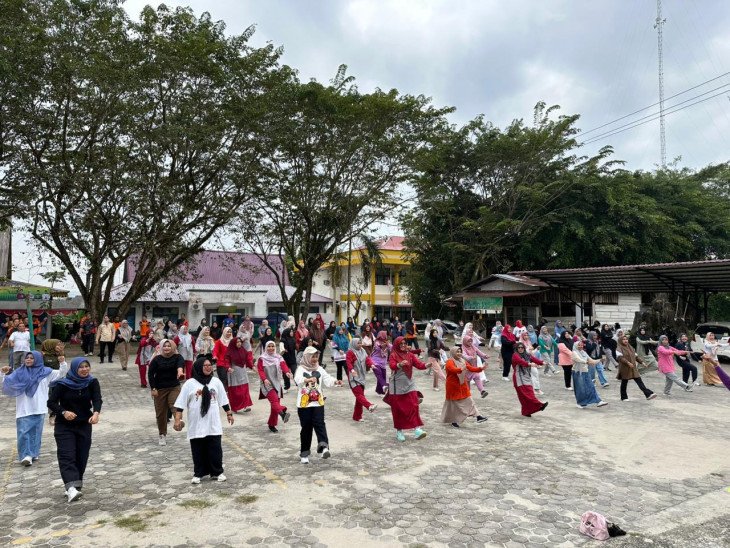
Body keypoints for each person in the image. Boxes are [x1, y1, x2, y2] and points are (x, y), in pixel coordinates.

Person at [46, 357, 102, 502]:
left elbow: (97, 399)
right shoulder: (63, 384)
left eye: (86, 366)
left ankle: (75, 486)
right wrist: (63, 412)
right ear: (74, 369)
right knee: (67, 455)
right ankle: (70, 488)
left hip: (84, 424)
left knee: (82, 456)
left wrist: (96, 413)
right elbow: (51, 402)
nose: (84, 369)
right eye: (81, 367)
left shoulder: (92, 382)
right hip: (64, 426)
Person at [1, 350, 69, 467]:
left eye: (32, 358)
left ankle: (33, 453)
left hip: (39, 407)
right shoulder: (19, 372)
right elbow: (6, 383)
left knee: (36, 433)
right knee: (23, 432)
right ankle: (26, 455)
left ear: (37, 359)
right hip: (24, 408)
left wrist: (62, 363)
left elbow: (61, 374)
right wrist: (3, 373)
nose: (28, 360)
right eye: (27, 358)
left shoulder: (46, 372)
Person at [173, 357, 234, 483]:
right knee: (198, 449)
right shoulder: (189, 384)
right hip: (197, 423)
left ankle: (217, 472)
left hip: (213, 422)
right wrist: (177, 420)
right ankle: (199, 473)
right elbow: (180, 404)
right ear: (198, 367)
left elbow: (223, 399)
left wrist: (229, 413)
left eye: (210, 365)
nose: (208, 367)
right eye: (205, 365)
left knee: (215, 448)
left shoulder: (216, 381)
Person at [294, 346, 336, 463]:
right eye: (313, 356)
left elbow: (327, 379)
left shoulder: (319, 368)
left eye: (317, 357)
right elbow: (297, 380)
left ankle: (324, 448)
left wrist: (335, 381)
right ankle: (304, 453)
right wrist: (306, 380)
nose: (315, 359)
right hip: (304, 404)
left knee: (320, 424)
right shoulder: (301, 369)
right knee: (306, 428)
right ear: (307, 357)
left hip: (318, 403)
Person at [383, 337, 428, 442]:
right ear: (397, 345)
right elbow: (392, 366)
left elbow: (419, 365)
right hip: (397, 386)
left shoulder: (410, 355)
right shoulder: (393, 355)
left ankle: (417, 430)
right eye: (401, 343)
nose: (403, 345)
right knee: (398, 410)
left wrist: (427, 365)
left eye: (405, 343)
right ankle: (399, 431)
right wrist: (399, 364)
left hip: (409, 384)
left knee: (414, 405)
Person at [148, 340, 185, 446]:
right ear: (161, 347)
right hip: (160, 389)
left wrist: (180, 372)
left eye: (169, 346)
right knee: (161, 413)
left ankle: (178, 421)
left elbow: (180, 366)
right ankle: (162, 434)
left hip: (174, 387)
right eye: (165, 346)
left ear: (173, 347)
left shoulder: (178, 357)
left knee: (175, 405)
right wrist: (153, 388)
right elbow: (150, 373)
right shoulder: (156, 359)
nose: (167, 348)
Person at [441, 346, 488, 428]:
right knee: (454, 405)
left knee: (469, 400)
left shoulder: (462, 361)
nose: (459, 353)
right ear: (453, 352)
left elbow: (471, 368)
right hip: (453, 387)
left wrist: (481, 368)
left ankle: (478, 416)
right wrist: (461, 369)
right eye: (457, 352)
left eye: (460, 351)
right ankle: (454, 421)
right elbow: (452, 369)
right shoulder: (449, 362)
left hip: (462, 385)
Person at [257, 340, 292, 433]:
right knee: (274, 401)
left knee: (274, 405)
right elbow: (260, 370)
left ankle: (272, 424)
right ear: (266, 347)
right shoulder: (262, 358)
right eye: (269, 346)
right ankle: (283, 412)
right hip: (267, 384)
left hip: (276, 383)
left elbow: (283, 365)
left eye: (273, 346)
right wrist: (264, 379)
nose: (271, 348)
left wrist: (287, 372)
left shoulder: (278, 357)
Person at [511, 342, 548, 417]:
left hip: (526, 376)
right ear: (516, 349)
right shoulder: (515, 355)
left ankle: (526, 412)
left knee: (526, 394)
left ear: (524, 348)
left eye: (522, 347)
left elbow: (534, 359)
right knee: (526, 394)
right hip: (518, 378)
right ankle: (539, 405)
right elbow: (520, 361)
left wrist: (542, 362)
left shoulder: (527, 355)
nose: (520, 349)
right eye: (519, 347)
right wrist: (529, 364)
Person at [616, 334, 657, 402]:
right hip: (625, 368)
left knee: (639, 381)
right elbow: (620, 358)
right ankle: (623, 397)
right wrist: (628, 363)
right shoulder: (619, 348)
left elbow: (636, 357)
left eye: (626, 339)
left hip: (633, 368)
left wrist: (642, 362)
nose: (625, 340)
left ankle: (648, 394)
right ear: (620, 341)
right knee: (624, 382)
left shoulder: (630, 347)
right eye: (623, 339)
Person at [571, 340, 608, 409]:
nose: (581, 346)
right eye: (579, 345)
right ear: (576, 346)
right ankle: (580, 403)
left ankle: (598, 401)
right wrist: (586, 362)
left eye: (582, 345)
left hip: (585, 372)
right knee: (580, 389)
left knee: (591, 386)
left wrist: (600, 360)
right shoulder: (574, 352)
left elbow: (592, 361)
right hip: (578, 372)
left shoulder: (584, 352)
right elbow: (578, 359)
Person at [225, 337, 254, 412]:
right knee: (236, 391)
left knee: (245, 389)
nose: (239, 343)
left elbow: (247, 360)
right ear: (233, 343)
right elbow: (227, 361)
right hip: (234, 372)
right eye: (237, 342)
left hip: (243, 371)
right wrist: (228, 368)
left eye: (240, 342)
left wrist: (252, 367)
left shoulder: (243, 350)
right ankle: (236, 407)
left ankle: (245, 406)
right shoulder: (230, 351)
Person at [369, 330, 391, 395]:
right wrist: (384, 345)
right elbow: (378, 348)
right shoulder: (376, 342)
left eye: (384, 335)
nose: (384, 336)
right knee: (379, 373)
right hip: (375, 361)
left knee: (383, 376)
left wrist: (388, 344)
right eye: (383, 335)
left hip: (383, 362)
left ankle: (379, 391)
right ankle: (384, 385)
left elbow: (392, 348)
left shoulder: (387, 342)